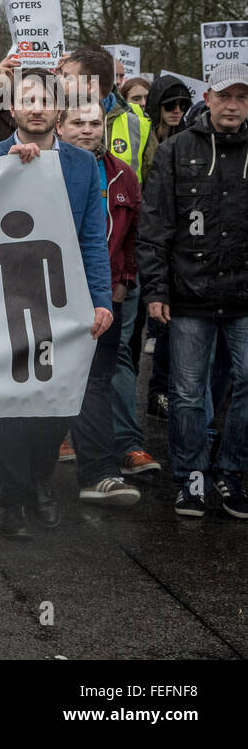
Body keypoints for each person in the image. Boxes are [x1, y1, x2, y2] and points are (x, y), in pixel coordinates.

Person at [0, 67, 119, 540]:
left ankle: (39, 482)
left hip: (63, 301)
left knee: (57, 404)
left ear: (58, 109)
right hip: (4, 299)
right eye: (25, 99)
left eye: (44, 99)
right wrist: (4, 173)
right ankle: (13, 499)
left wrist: (100, 299)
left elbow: (93, 237)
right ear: (10, 108)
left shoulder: (79, 163)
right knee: (11, 403)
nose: (35, 107)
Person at [137, 61, 248, 520]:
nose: (233, 105)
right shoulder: (176, 151)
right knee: (185, 392)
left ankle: (231, 469)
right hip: (187, 295)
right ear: (209, 99)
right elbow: (155, 226)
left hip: (243, 296)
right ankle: (191, 476)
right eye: (225, 96)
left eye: (242, 97)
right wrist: (157, 289)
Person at [55, 101, 157, 481]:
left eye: (95, 123)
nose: (87, 130)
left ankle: (119, 451)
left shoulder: (124, 176)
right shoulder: (43, 169)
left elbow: (133, 236)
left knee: (105, 373)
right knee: (48, 368)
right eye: (78, 123)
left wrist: (121, 284)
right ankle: (45, 444)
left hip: (105, 294)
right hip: (53, 290)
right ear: (60, 126)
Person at [139, 76, 192, 420]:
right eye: (169, 105)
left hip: (181, 241)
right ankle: (157, 391)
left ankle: (165, 391)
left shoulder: (193, 141)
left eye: (182, 106)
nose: (176, 111)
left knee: (171, 326)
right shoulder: (143, 137)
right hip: (147, 235)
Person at [61, 47, 153, 183]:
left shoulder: (138, 125)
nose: (59, 82)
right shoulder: (53, 119)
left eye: (67, 78)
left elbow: (154, 186)